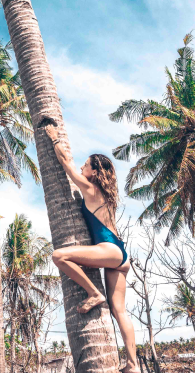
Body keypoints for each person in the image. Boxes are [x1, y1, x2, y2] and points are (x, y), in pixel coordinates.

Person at [45, 124, 140, 373]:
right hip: (121, 255)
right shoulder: (107, 194)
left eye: (85, 166)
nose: (81, 168)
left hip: (109, 250)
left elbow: (66, 163)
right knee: (120, 311)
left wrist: (55, 139)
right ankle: (132, 364)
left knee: (59, 255)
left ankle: (93, 293)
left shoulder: (89, 188)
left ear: (94, 172)